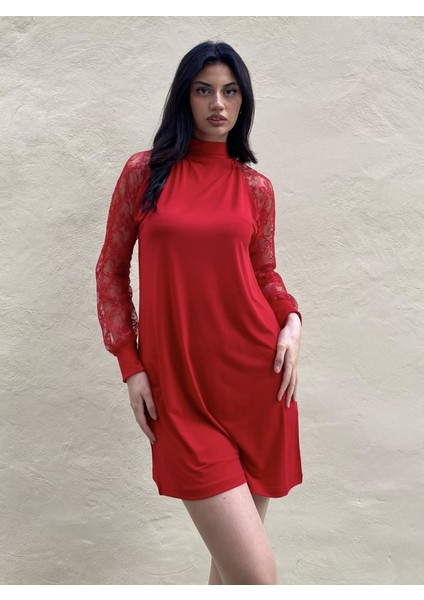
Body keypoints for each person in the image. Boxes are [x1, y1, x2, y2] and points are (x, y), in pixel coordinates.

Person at [95, 40, 303, 585]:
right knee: (255, 579)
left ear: (243, 101)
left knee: (232, 579)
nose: (218, 104)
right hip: (181, 392)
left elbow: (265, 273)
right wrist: (131, 366)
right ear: (184, 98)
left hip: (257, 385)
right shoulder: (144, 173)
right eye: (204, 90)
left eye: (230, 92)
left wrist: (292, 321)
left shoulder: (255, 187)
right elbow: (110, 271)